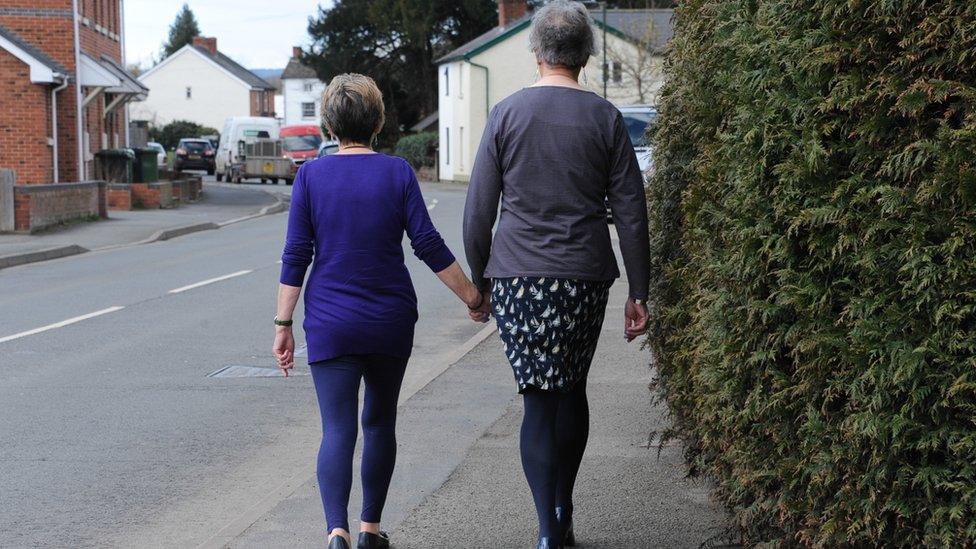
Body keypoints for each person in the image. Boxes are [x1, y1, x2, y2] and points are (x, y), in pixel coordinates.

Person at [462, 2, 651, 548]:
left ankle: (548, 528)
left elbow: (479, 209)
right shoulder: (605, 118)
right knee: (571, 389)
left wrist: (479, 283)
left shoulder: (506, 114)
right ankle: (564, 505)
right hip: (584, 277)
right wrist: (639, 290)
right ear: (586, 54)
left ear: (536, 51)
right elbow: (632, 211)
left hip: (519, 277)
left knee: (537, 398)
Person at [273, 73, 489, 549]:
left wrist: (283, 323)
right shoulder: (397, 173)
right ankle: (371, 530)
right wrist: (473, 297)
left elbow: (296, 254)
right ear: (377, 122)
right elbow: (427, 244)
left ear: (329, 123)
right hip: (389, 319)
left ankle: (337, 533)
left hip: (330, 321)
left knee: (337, 428)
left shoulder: (310, 175)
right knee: (379, 422)